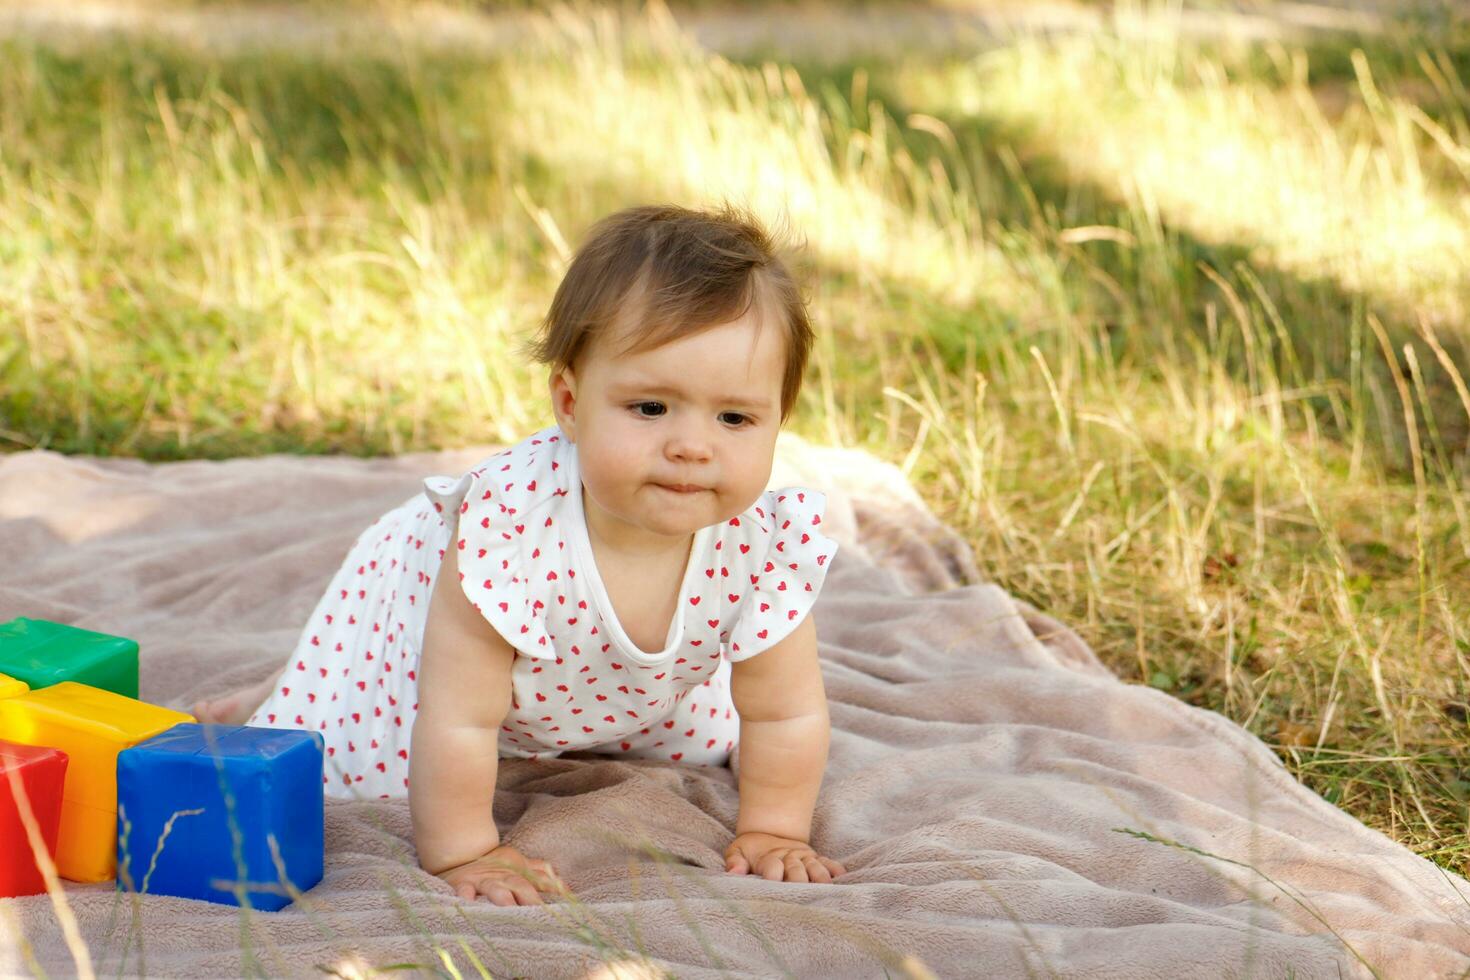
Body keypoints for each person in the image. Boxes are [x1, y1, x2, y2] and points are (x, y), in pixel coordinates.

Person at [194, 203, 846, 907]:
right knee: (343, 733)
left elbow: (784, 714)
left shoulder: (763, 542)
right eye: (651, 408)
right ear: (570, 402)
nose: (693, 445)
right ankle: (281, 686)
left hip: (610, 675)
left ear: (779, 418)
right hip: (426, 629)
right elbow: (459, 720)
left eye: (735, 418)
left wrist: (776, 830)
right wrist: (467, 852)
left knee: (709, 734)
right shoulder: (507, 537)